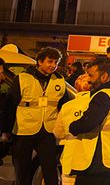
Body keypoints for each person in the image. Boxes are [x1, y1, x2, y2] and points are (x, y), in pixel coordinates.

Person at [2, 47, 74, 185]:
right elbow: (10, 106)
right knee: (22, 170)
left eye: (56, 62)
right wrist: (6, 130)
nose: (53, 65)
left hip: (48, 132)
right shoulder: (22, 78)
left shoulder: (59, 80)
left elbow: (66, 107)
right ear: (40, 62)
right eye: (50, 61)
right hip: (24, 130)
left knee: (50, 170)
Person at [67, 58, 110, 184]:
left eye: (91, 75)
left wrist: (73, 126)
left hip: (102, 164)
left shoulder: (103, 95)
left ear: (104, 76)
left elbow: (87, 123)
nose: (88, 79)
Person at [54, 73, 93, 184]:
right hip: (92, 162)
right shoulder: (101, 104)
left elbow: (58, 133)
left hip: (71, 159)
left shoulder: (67, 107)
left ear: (76, 86)